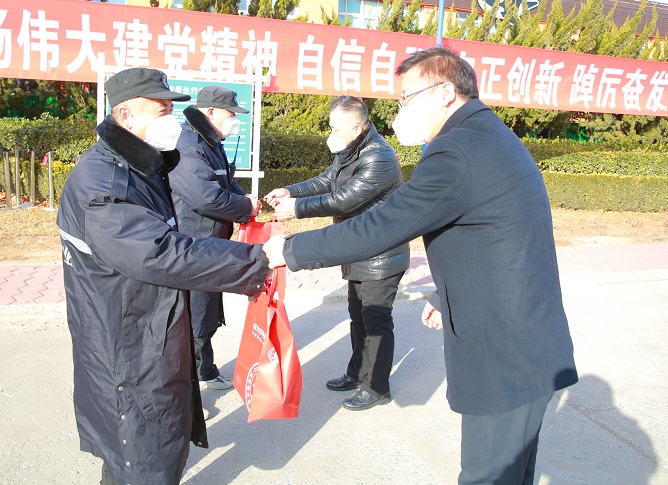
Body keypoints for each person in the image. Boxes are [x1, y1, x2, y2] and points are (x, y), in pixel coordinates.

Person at [263, 48, 578, 484]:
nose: (401, 109)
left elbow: (383, 224)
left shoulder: (457, 149)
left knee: (488, 476)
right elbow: (498, 235)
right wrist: (442, 291)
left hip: (505, 350)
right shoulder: (485, 135)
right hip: (525, 339)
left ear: (446, 92)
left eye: (408, 97)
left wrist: (289, 250)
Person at [57, 68, 269, 485]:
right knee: (143, 450)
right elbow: (161, 252)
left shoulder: (139, 165)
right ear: (126, 115)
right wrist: (254, 262)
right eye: (162, 109)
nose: (172, 118)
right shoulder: (105, 183)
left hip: (145, 324)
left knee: (134, 450)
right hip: (128, 339)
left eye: (172, 107)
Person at [263, 95, 409, 411]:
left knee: (376, 321)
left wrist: (297, 209)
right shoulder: (351, 149)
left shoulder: (379, 157)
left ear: (357, 126)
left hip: (380, 254)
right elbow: (328, 180)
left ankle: (377, 387)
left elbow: (344, 200)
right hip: (357, 248)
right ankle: (357, 374)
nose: (331, 133)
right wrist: (292, 191)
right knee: (358, 316)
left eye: (336, 127)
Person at [170, 86, 262, 392]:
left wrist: (244, 198)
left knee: (206, 307)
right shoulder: (189, 146)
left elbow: (225, 181)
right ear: (210, 112)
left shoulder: (212, 142)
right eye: (230, 114)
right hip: (194, 243)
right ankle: (189, 385)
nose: (235, 120)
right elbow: (205, 197)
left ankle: (205, 370)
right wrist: (243, 208)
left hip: (210, 242)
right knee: (195, 313)